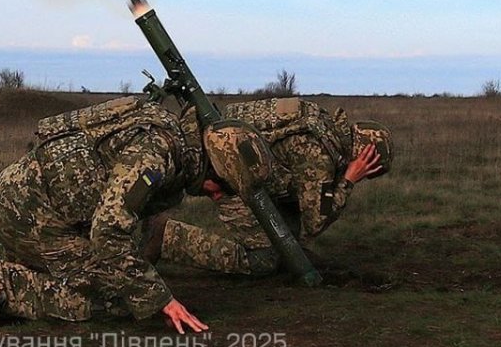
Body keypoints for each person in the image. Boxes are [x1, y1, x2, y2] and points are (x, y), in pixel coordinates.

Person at [0, 95, 263, 333]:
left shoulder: (166, 133)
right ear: (214, 168)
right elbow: (109, 233)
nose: (217, 196)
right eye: (224, 187)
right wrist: (160, 299)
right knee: (114, 300)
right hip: (34, 217)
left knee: (98, 272)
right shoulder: (156, 153)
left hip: (28, 204)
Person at [143, 97, 392, 276]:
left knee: (290, 232)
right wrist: (348, 180)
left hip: (223, 158)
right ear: (364, 154)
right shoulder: (319, 155)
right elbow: (316, 221)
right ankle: (167, 236)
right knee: (264, 259)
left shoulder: (320, 123)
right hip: (226, 176)